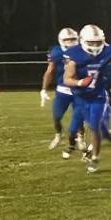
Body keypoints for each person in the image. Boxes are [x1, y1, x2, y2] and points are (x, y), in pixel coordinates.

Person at [62, 24, 111, 173]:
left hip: (100, 95)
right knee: (101, 131)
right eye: (91, 43)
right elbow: (67, 78)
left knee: (95, 127)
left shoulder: (107, 50)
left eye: (98, 42)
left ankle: (94, 158)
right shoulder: (74, 54)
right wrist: (80, 82)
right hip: (81, 97)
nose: (95, 46)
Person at [40, 27, 85, 157]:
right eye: (67, 39)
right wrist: (43, 89)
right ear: (61, 40)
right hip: (63, 91)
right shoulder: (56, 52)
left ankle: (80, 137)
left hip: (78, 89)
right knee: (56, 116)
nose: (70, 42)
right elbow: (50, 71)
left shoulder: (83, 51)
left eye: (73, 39)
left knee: (78, 117)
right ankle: (58, 134)